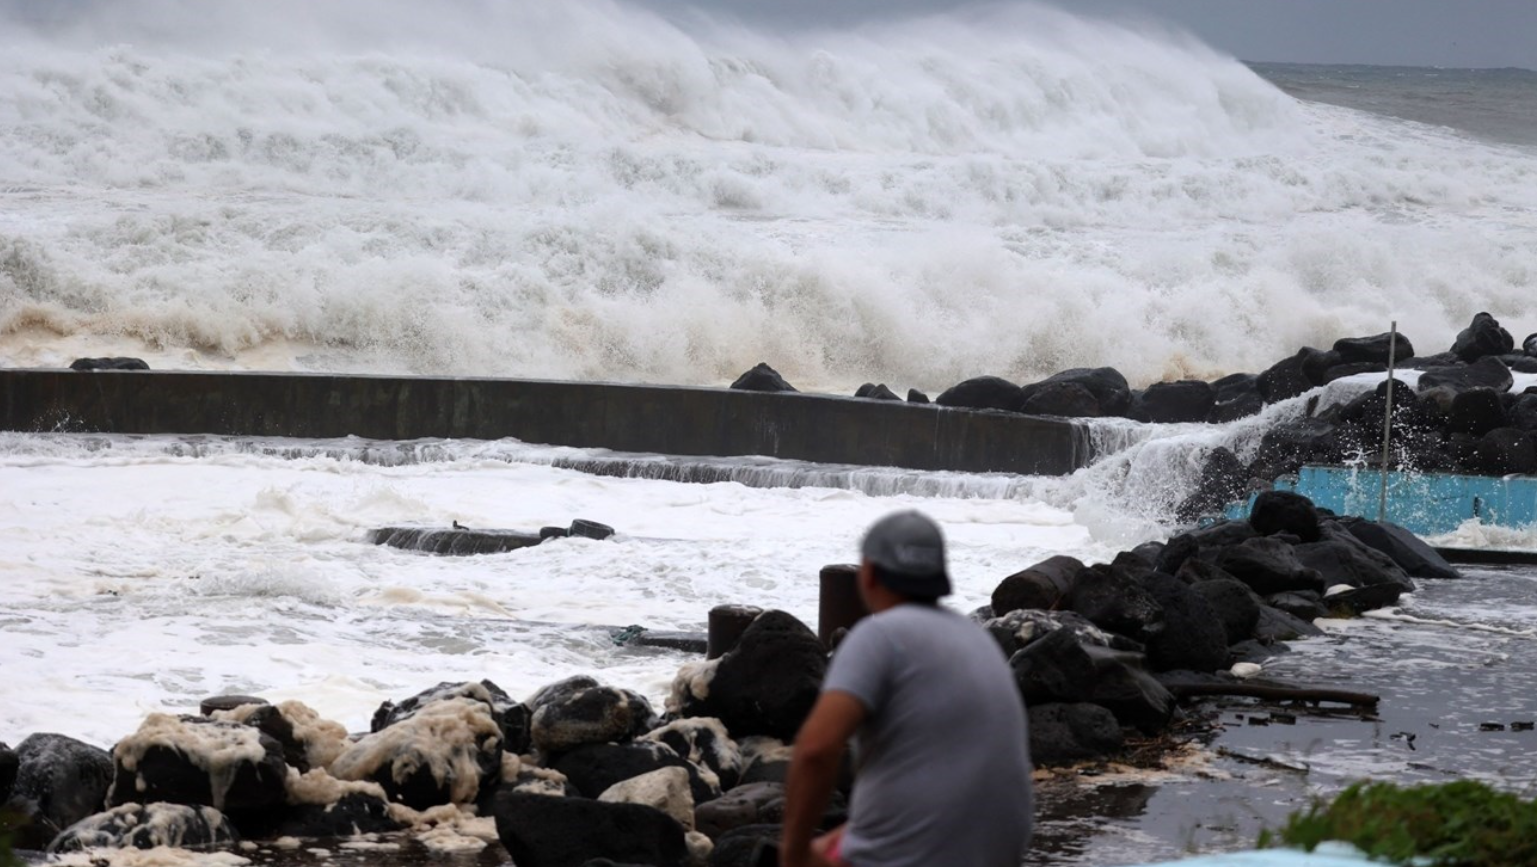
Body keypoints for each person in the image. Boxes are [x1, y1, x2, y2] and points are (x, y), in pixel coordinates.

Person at [780, 510, 1034, 867]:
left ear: (868, 573)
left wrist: (792, 856)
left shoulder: (879, 636)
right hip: (997, 854)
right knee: (839, 842)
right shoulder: (977, 639)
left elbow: (816, 750)